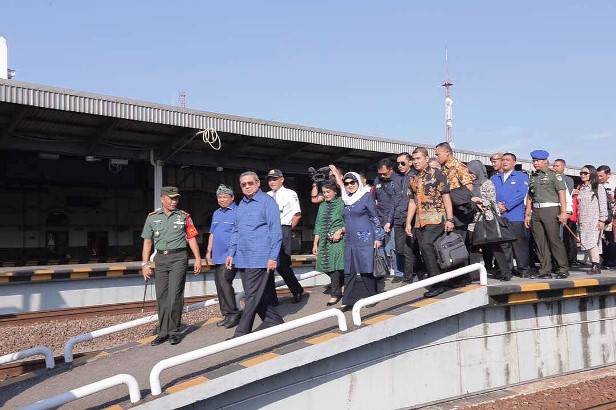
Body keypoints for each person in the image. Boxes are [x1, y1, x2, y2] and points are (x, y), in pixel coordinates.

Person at [141, 186, 202, 346]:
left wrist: (197, 258)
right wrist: (145, 264)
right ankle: (162, 332)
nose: (174, 201)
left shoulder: (184, 217)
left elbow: (191, 238)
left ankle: (174, 331)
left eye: (176, 198)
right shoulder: (152, 218)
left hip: (178, 258)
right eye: (171, 198)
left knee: (175, 295)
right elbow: (147, 242)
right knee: (161, 297)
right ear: (162, 199)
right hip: (160, 258)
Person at [226, 171, 284, 337]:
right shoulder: (242, 204)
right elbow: (236, 230)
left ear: (258, 184)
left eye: (250, 183)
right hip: (243, 257)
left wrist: (273, 257)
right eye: (243, 184)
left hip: (260, 257)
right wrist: (231, 253)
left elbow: (275, 231)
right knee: (256, 294)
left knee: (251, 296)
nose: (247, 187)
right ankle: (274, 320)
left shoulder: (268, 202)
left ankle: (241, 332)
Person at [405, 147, 455, 298]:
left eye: (418, 158)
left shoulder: (437, 174)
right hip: (420, 221)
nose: (415, 162)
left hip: (436, 218)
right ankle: (439, 279)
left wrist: (450, 219)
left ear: (426, 159)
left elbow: (446, 197)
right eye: (413, 159)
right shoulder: (413, 178)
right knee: (426, 249)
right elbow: (412, 202)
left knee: (427, 246)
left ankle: (438, 283)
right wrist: (408, 223)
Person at [331, 168, 383, 311]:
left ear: (358, 182)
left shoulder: (366, 196)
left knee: (366, 269)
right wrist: (335, 173)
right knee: (349, 271)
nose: (349, 185)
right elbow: (340, 185)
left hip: (365, 237)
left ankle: (373, 296)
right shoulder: (346, 199)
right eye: (347, 183)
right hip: (350, 239)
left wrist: (378, 237)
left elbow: (374, 218)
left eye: (352, 182)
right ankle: (347, 301)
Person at [524, 150, 569, 279]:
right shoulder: (533, 176)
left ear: (545, 161)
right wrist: (527, 214)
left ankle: (562, 268)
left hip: (550, 209)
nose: (535, 163)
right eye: (534, 161)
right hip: (536, 211)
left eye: (537, 161)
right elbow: (530, 196)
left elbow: (562, 193)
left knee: (554, 240)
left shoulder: (554, 175)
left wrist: (563, 212)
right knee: (539, 241)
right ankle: (545, 270)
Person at [467, 160, 514, 281]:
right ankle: (474, 275)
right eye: (468, 172)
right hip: (473, 220)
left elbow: (492, 202)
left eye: (472, 172)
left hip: (488, 219)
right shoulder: (469, 184)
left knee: (495, 246)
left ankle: (506, 272)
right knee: (474, 246)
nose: (470, 175)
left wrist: (479, 200)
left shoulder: (487, 183)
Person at [435, 141, 474, 286]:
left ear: (447, 153)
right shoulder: (442, 169)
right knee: (448, 245)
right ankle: (453, 277)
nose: (437, 157)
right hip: (447, 212)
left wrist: (452, 196)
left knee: (458, 245)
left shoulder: (458, 166)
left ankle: (462, 278)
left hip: (458, 212)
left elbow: (469, 188)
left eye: (438, 154)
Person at [205, 184, 242, 329]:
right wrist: (208, 251)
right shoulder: (216, 213)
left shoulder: (238, 212)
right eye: (219, 197)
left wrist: (232, 253)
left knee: (225, 280)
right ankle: (226, 314)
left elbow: (240, 234)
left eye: (225, 197)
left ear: (232, 198)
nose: (221, 199)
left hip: (231, 255)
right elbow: (212, 233)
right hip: (218, 255)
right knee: (219, 284)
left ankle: (234, 313)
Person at [491, 153, 534, 277]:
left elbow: (521, 194)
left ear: (514, 163)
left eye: (508, 160)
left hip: (515, 216)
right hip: (500, 216)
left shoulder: (521, 176)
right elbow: (491, 194)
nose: (505, 162)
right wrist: (497, 206)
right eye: (503, 160)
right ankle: (506, 270)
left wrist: (506, 206)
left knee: (518, 244)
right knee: (504, 245)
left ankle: (523, 269)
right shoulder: (495, 178)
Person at [266, 169, 305, 303]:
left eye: (274, 179)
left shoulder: (290, 194)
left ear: (281, 179)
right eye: (270, 179)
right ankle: (272, 299)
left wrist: (287, 230)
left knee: (282, 265)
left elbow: (297, 215)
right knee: (268, 266)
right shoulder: (266, 196)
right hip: (268, 231)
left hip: (283, 228)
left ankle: (297, 290)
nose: (272, 182)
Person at [312, 180, 346, 306]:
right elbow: (318, 225)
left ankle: (335, 294)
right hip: (324, 240)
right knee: (323, 264)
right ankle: (342, 283)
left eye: (328, 192)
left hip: (338, 239)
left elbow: (348, 221)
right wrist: (315, 243)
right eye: (324, 192)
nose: (326, 195)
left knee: (335, 265)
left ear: (335, 192)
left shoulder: (342, 203)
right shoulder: (322, 206)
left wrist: (341, 231)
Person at [373, 158, 405, 281]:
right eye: (380, 174)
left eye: (384, 173)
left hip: (395, 219)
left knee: (395, 247)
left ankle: (398, 273)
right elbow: (374, 198)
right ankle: (383, 270)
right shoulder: (377, 181)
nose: (382, 176)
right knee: (378, 244)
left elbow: (397, 201)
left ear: (391, 169)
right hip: (380, 218)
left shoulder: (399, 180)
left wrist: (389, 221)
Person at [392, 152, 421, 283]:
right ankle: (414, 270)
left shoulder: (415, 176)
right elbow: (394, 199)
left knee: (408, 248)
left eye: (402, 163)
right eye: (398, 163)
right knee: (399, 249)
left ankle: (409, 276)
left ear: (410, 162)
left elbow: (413, 200)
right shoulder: (397, 178)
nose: (400, 165)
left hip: (410, 217)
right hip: (398, 217)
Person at [575, 165, 608, 275]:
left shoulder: (598, 187)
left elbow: (603, 204)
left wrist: (602, 219)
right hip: (582, 220)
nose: (583, 175)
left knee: (592, 241)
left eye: (585, 173)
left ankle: (595, 265)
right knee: (586, 242)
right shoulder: (581, 187)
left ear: (591, 174)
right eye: (581, 173)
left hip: (594, 219)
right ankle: (596, 262)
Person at [552, 158, 577, 267]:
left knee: (560, 237)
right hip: (551, 210)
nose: (555, 168)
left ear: (563, 167)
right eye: (554, 165)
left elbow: (567, 195)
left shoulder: (568, 180)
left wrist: (565, 212)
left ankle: (561, 262)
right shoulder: (551, 177)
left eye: (557, 166)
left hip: (562, 210)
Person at [597, 165, 616, 269]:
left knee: (611, 238)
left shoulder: (614, 184)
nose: (599, 178)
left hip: (612, 216)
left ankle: (611, 261)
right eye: (598, 176)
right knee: (600, 238)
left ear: (609, 174)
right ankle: (606, 259)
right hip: (600, 215)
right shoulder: (596, 184)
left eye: (601, 176)